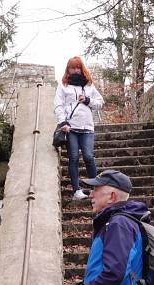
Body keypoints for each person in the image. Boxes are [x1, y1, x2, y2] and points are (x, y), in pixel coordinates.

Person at [54, 56, 104, 200]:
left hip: (87, 127)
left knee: (89, 156)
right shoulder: (63, 85)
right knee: (74, 158)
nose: (75, 70)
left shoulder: (89, 85)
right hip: (71, 128)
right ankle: (77, 190)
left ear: (81, 68)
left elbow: (100, 102)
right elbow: (58, 105)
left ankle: (96, 189)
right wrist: (63, 122)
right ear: (68, 69)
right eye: (72, 67)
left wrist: (88, 100)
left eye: (77, 67)